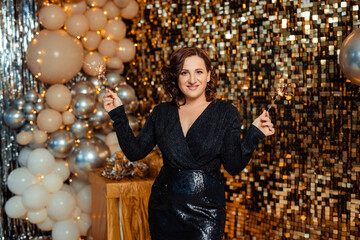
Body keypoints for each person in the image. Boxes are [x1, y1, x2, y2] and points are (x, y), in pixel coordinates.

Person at [103, 47, 275, 240]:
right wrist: (118, 114)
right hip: (163, 208)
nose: (192, 80)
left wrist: (253, 134)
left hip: (207, 211)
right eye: (185, 72)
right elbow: (135, 152)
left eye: (199, 72)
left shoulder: (225, 113)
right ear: (176, 76)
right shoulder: (161, 113)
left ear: (209, 76)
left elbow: (233, 165)